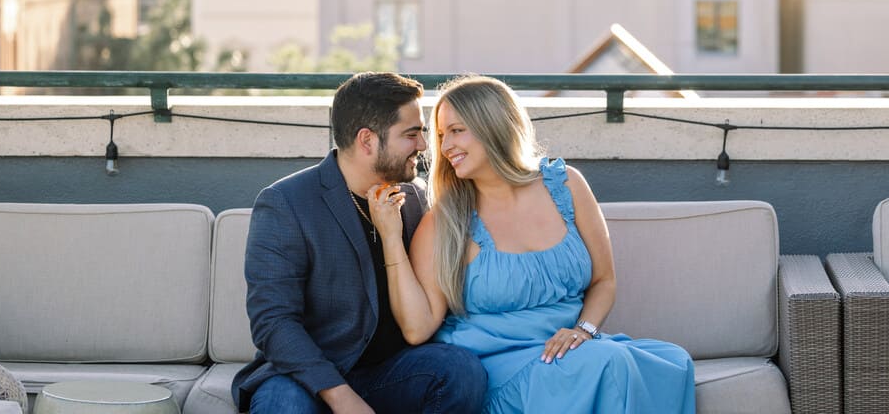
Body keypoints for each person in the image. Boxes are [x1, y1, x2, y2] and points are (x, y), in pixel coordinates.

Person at [367, 74, 695, 413]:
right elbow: (417, 329)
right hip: (501, 367)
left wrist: (584, 330)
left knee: (671, 362)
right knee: (609, 363)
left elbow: (604, 280)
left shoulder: (566, 185)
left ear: (494, 125)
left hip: (573, 349)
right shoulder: (446, 219)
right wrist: (391, 238)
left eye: (457, 130)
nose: (445, 145)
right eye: (440, 135)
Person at [232, 71, 488, 414]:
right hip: (307, 378)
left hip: (390, 373)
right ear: (367, 140)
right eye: (411, 135)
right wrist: (340, 395)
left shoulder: (416, 197)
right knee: (282, 405)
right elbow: (273, 322)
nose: (425, 147)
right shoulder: (286, 203)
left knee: (460, 371)